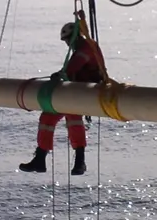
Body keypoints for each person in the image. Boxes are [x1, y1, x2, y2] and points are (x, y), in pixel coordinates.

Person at [19, 19, 105, 176]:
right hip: (78, 91)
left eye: (67, 40)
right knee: (51, 118)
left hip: (84, 92)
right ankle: (66, 161)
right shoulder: (87, 46)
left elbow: (71, 68)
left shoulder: (84, 49)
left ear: (72, 37)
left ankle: (56, 160)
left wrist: (59, 75)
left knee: (54, 117)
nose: (67, 44)